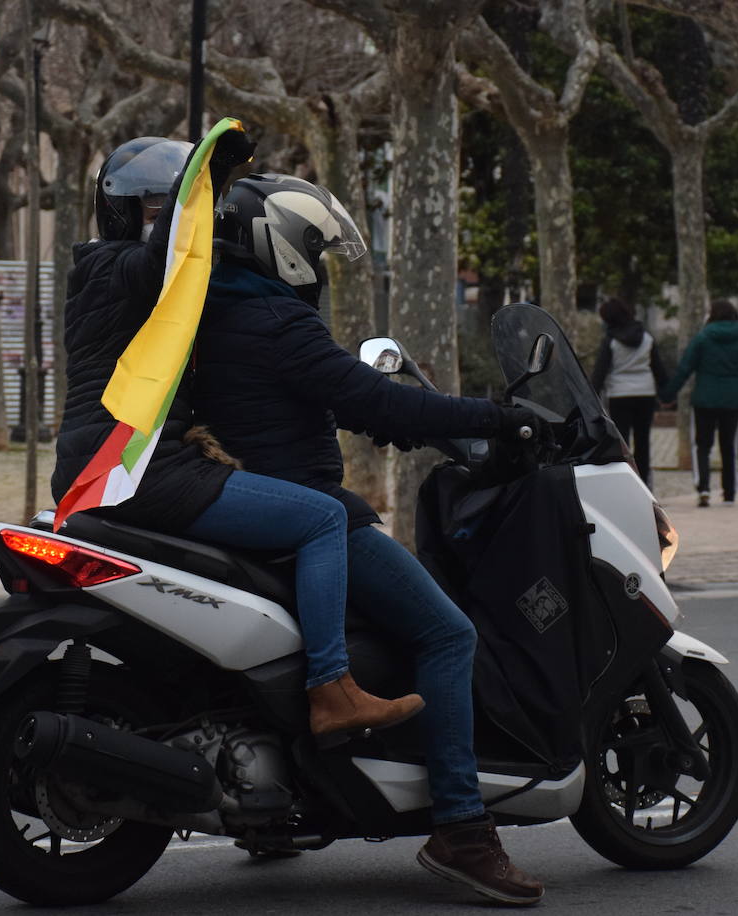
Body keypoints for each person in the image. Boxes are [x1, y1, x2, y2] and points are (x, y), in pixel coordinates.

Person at [192, 173, 545, 906]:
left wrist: (379, 412)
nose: (317, 263)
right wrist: (495, 416)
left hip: (241, 504)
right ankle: (462, 830)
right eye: (313, 246)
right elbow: (371, 397)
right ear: (279, 247)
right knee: (448, 636)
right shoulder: (279, 322)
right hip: (308, 510)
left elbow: (323, 400)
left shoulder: (210, 311)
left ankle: (280, 815)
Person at [52, 137, 423, 738]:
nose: (189, 231)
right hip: (139, 467)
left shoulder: (129, 285)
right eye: (157, 213)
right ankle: (334, 688)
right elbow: (163, 259)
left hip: (121, 463)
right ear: (124, 214)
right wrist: (201, 177)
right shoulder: (111, 266)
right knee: (324, 518)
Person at [659, 299, 738, 507]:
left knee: (702, 446)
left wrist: (668, 395)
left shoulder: (702, 339)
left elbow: (684, 369)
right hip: (732, 400)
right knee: (729, 446)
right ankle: (729, 492)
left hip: (704, 398)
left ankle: (703, 488)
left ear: (712, 315)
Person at [590, 296, 667, 486]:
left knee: (622, 443)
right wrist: (667, 394)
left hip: (619, 395)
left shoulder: (611, 341)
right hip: (645, 394)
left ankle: (626, 482)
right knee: (643, 442)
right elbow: (659, 369)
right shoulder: (647, 338)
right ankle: (645, 483)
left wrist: (590, 396)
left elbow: (600, 372)